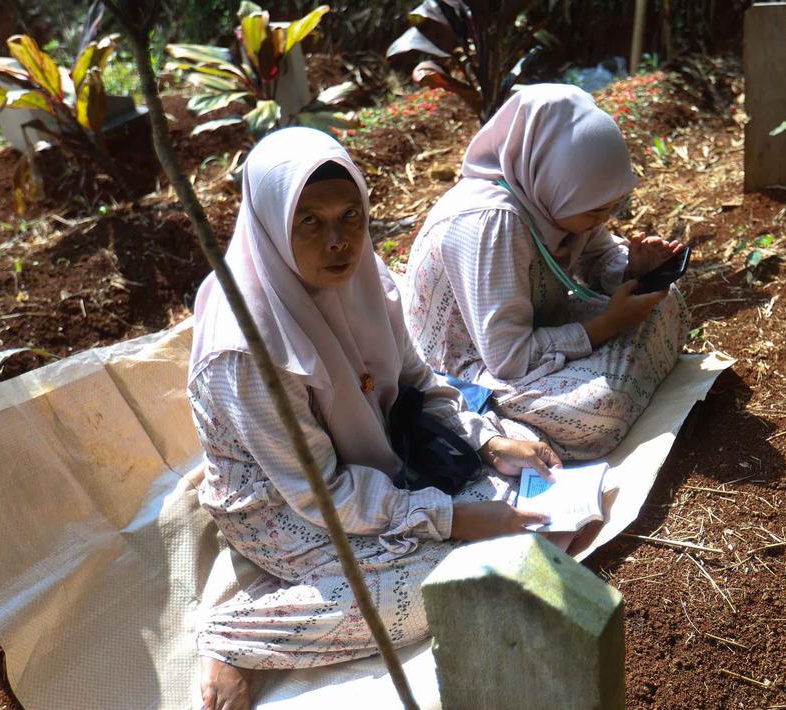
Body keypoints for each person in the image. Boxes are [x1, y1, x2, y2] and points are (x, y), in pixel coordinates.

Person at [188, 127, 562, 710]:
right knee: (444, 579)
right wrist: (451, 519)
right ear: (269, 226)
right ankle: (234, 638)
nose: (338, 242)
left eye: (350, 215)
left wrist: (487, 442)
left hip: (373, 455)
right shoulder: (248, 351)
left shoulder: (364, 275)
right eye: (309, 222)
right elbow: (320, 495)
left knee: (513, 474)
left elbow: (417, 381)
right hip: (281, 502)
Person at [403, 83, 689, 461]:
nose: (601, 220)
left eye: (611, 206)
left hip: (539, 325)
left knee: (666, 303)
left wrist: (633, 270)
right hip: (473, 365)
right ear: (549, 180)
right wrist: (608, 325)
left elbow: (597, 254)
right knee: (601, 407)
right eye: (593, 211)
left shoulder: (550, 196)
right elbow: (508, 359)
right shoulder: (492, 225)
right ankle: (497, 429)